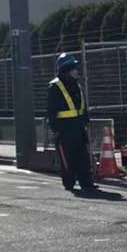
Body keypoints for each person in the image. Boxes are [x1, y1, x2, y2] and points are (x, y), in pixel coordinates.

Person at [47, 52, 99, 194]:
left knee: (83, 156)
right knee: (67, 157)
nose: (77, 70)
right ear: (66, 70)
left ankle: (86, 182)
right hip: (64, 129)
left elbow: (83, 105)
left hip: (78, 126)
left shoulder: (77, 85)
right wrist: (55, 129)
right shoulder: (55, 86)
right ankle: (69, 183)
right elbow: (51, 110)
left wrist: (86, 122)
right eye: (74, 68)